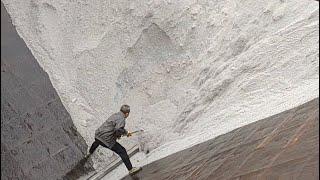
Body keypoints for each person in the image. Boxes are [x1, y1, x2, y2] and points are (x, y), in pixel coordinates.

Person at [88, 104, 141, 175]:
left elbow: (115, 128)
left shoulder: (115, 115)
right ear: (127, 113)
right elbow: (118, 129)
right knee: (122, 151)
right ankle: (131, 169)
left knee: (97, 141)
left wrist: (122, 133)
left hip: (98, 134)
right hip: (106, 139)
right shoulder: (122, 119)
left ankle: (90, 152)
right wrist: (123, 133)